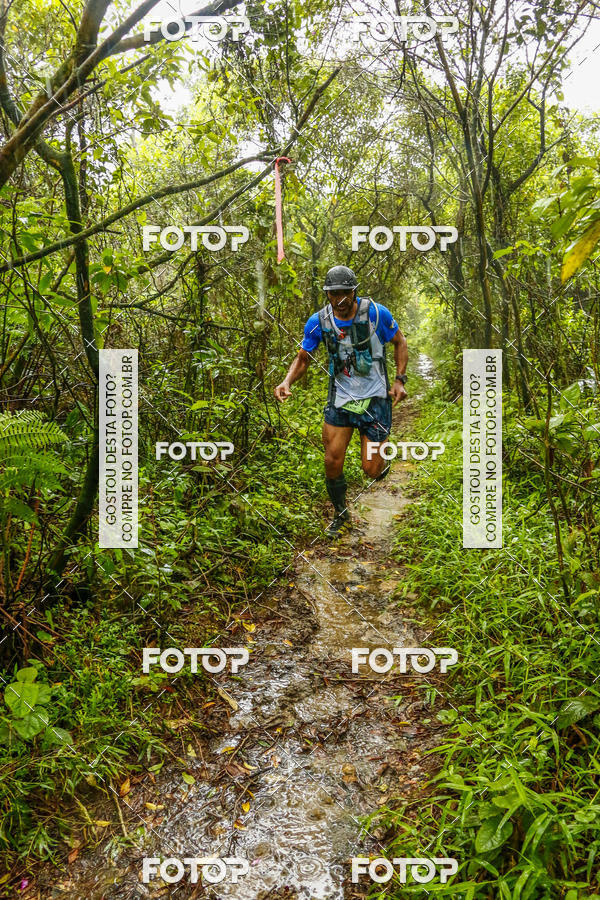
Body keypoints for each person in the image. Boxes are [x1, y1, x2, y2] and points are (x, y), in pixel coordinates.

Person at [274, 265, 408, 536]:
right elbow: (303, 358)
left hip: (375, 400)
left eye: (345, 292)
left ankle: (380, 459)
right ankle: (341, 513)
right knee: (332, 460)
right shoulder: (319, 321)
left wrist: (399, 380)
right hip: (342, 400)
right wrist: (287, 381)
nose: (340, 299)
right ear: (328, 295)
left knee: (371, 470)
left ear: (354, 291)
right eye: (334, 294)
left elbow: (400, 341)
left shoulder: (376, 313)